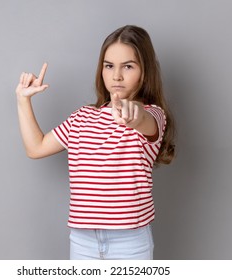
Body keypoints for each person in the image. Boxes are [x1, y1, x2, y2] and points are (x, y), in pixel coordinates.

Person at [15, 25, 176, 260]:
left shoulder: (153, 115)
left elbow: (143, 120)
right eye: (109, 66)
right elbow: (36, 147)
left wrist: (133, 115)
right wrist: (22, 100)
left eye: (128, 66)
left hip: (129, 242)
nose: (116, 76)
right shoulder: (82, 117)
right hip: (83, 241)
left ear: (145, 71)